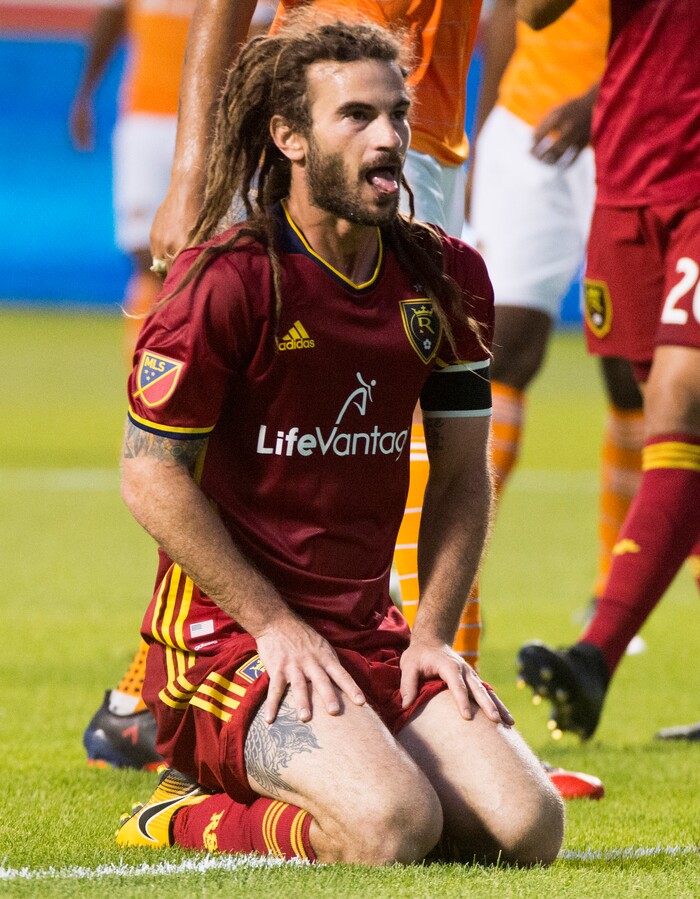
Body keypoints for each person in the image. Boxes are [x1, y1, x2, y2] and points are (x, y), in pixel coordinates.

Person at [114, 17, 564, 865]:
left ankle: (356, 756)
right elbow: (152, 479)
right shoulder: (226, 282)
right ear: (288, 137)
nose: (391, 138)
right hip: (228, 645)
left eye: (396, 113)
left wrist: (431, 633)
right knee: (394, 826)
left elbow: (464, 474)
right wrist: (275, 623)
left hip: (370, 633)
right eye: (356, 117)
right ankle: (180, 811)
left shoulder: (448, 279)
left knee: (526, 829)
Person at [83, 0, 488, 770]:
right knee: (232, 431)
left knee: (374, 428)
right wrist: (194, 167)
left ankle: (436, 681)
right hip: (323, 131)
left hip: (427, 133)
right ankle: (167, 686)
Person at [75, 0, 276, 770]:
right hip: (194, 115)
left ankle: (146, 694)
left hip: (271, 112)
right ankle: (145, 692)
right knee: (177, 287)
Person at [515, 0, 700, 741]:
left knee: (680, 400)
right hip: (628, 170)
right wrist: (596, 102)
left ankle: (596, 655)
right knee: (664, 417)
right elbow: (535, 12)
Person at [468, 0, 645, 642]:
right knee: (501, 347)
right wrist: (482, 139)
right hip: (525, 128)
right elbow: (511, 19)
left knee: (634, 371)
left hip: (634, 127)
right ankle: (455, 581)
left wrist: (601, 101)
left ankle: (613, 590)